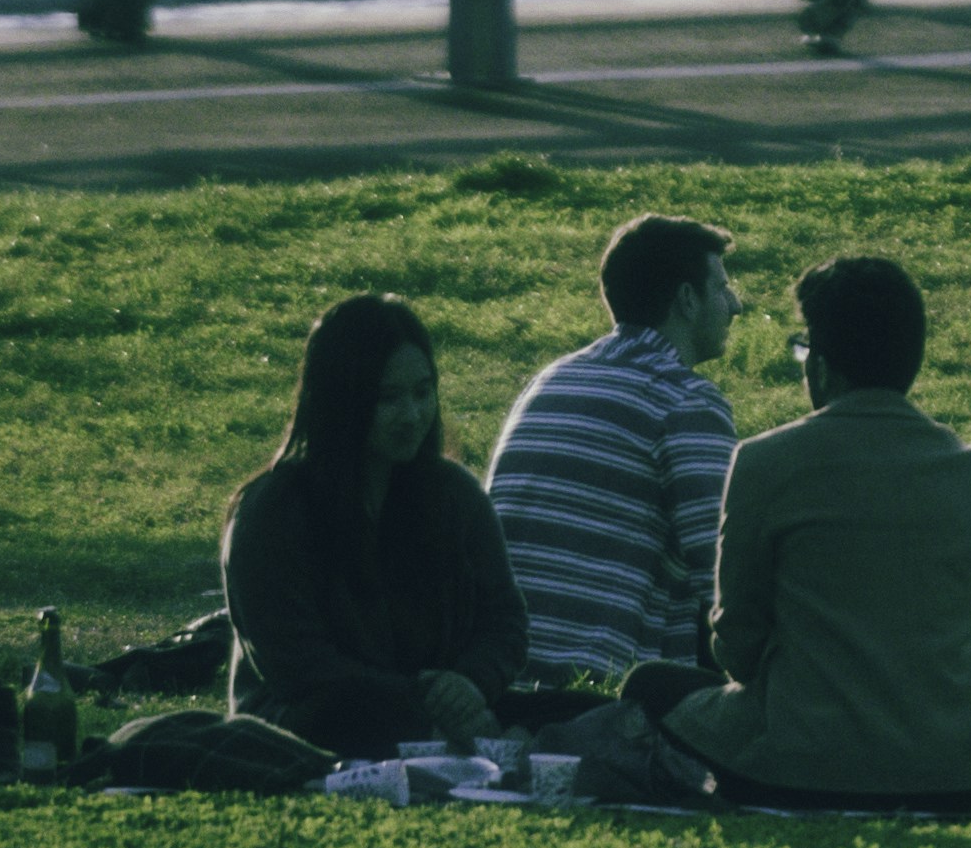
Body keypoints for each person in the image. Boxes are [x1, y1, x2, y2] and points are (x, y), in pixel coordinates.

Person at [646, 255, 971, 815]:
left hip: (801, 769)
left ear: (822, 367)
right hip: (969, 773)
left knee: (650, 689)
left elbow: (739, 645)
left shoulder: (764, 462)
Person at [222, 291, 531, 754]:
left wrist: (470, 682)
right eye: (387, 398)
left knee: (574, 708)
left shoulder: (453, 496)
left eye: (422, 392)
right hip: (311, 722)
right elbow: (297, 665)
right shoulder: (273, 511)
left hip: (441, 709)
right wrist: (419, 698)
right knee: (352, 717)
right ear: (342, 400)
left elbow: (505, 621)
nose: (411, 416)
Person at [483, 212, 742, 694]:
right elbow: (727, 576)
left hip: (497, 671)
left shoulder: (552, 377)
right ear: (687, 299)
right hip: (597, 692)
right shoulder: (683, 398)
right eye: (722, 287)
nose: (736, 304)